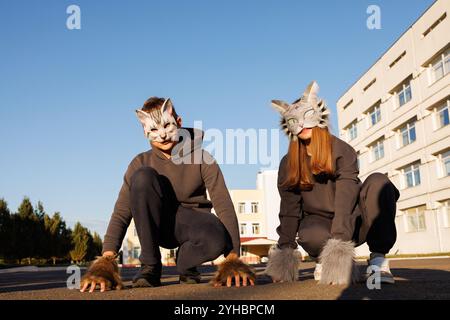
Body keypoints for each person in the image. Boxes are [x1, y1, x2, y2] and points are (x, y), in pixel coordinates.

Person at [80, 97, 255, 292]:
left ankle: (187, 266)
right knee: (143, 177)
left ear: (178, 122)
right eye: (153, 130)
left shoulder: (203, 158)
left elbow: (223, 203)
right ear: (144, 131)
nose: (162, 135)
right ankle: (150, 266)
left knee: (217, 236)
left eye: (166, 126)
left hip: (194, 224)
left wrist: (233, 259)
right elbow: (122, 212)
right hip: (158, 226)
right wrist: (106, 260)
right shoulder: (140, 162)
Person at [265, 81, 400, 285]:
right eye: (293, 120)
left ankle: (377, 260)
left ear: (318, 117)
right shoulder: (288, 163)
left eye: (306, 116)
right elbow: (289, 209)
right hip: (318, 226)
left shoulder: (342, 151)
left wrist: (338, 250)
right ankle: (322, 259)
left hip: (354, 222)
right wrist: (284, 255)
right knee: (311, 234)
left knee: (380, 182)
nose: (300, 125)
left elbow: (345, 201)